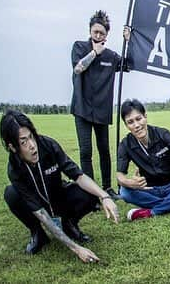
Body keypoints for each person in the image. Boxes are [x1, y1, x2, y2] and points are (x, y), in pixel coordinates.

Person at [1, 110, 120, 263]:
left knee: (89, 191)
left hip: (58, 197)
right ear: (12, 147)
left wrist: (105, 196)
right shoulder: (14, 169)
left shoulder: (48, 145)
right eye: (23, 142)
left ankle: (69, 224)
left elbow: (79, 175)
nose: (32, 145)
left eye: (31, 137)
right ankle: (38, 234)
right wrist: (76, 249)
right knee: (11, 194)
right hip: (38, 206)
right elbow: (40, 213)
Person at [71, 10, 131, 198]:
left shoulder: (111, 56)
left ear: (107, 35)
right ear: (90, 31)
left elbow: (128, 64)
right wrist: (94, 53)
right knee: (86, 151)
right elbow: (78, 68)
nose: (98, 36)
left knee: (104, 150)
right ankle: (92, 193)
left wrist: (128, 41)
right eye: (95, 32)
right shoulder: (79, 47)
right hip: (82, 108)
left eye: (102, 33)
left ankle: (107, 187)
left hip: (102, 110)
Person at [116, 99, 170, 221]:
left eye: (139, 119)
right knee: (125, 192)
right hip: (151, 189)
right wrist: (129, 183)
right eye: (130, 122)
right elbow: (119, 176)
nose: (136, 125)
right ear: (126, 125)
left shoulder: (162, 133)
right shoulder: (125, 144)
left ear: (145, 117)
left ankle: (151, 213)